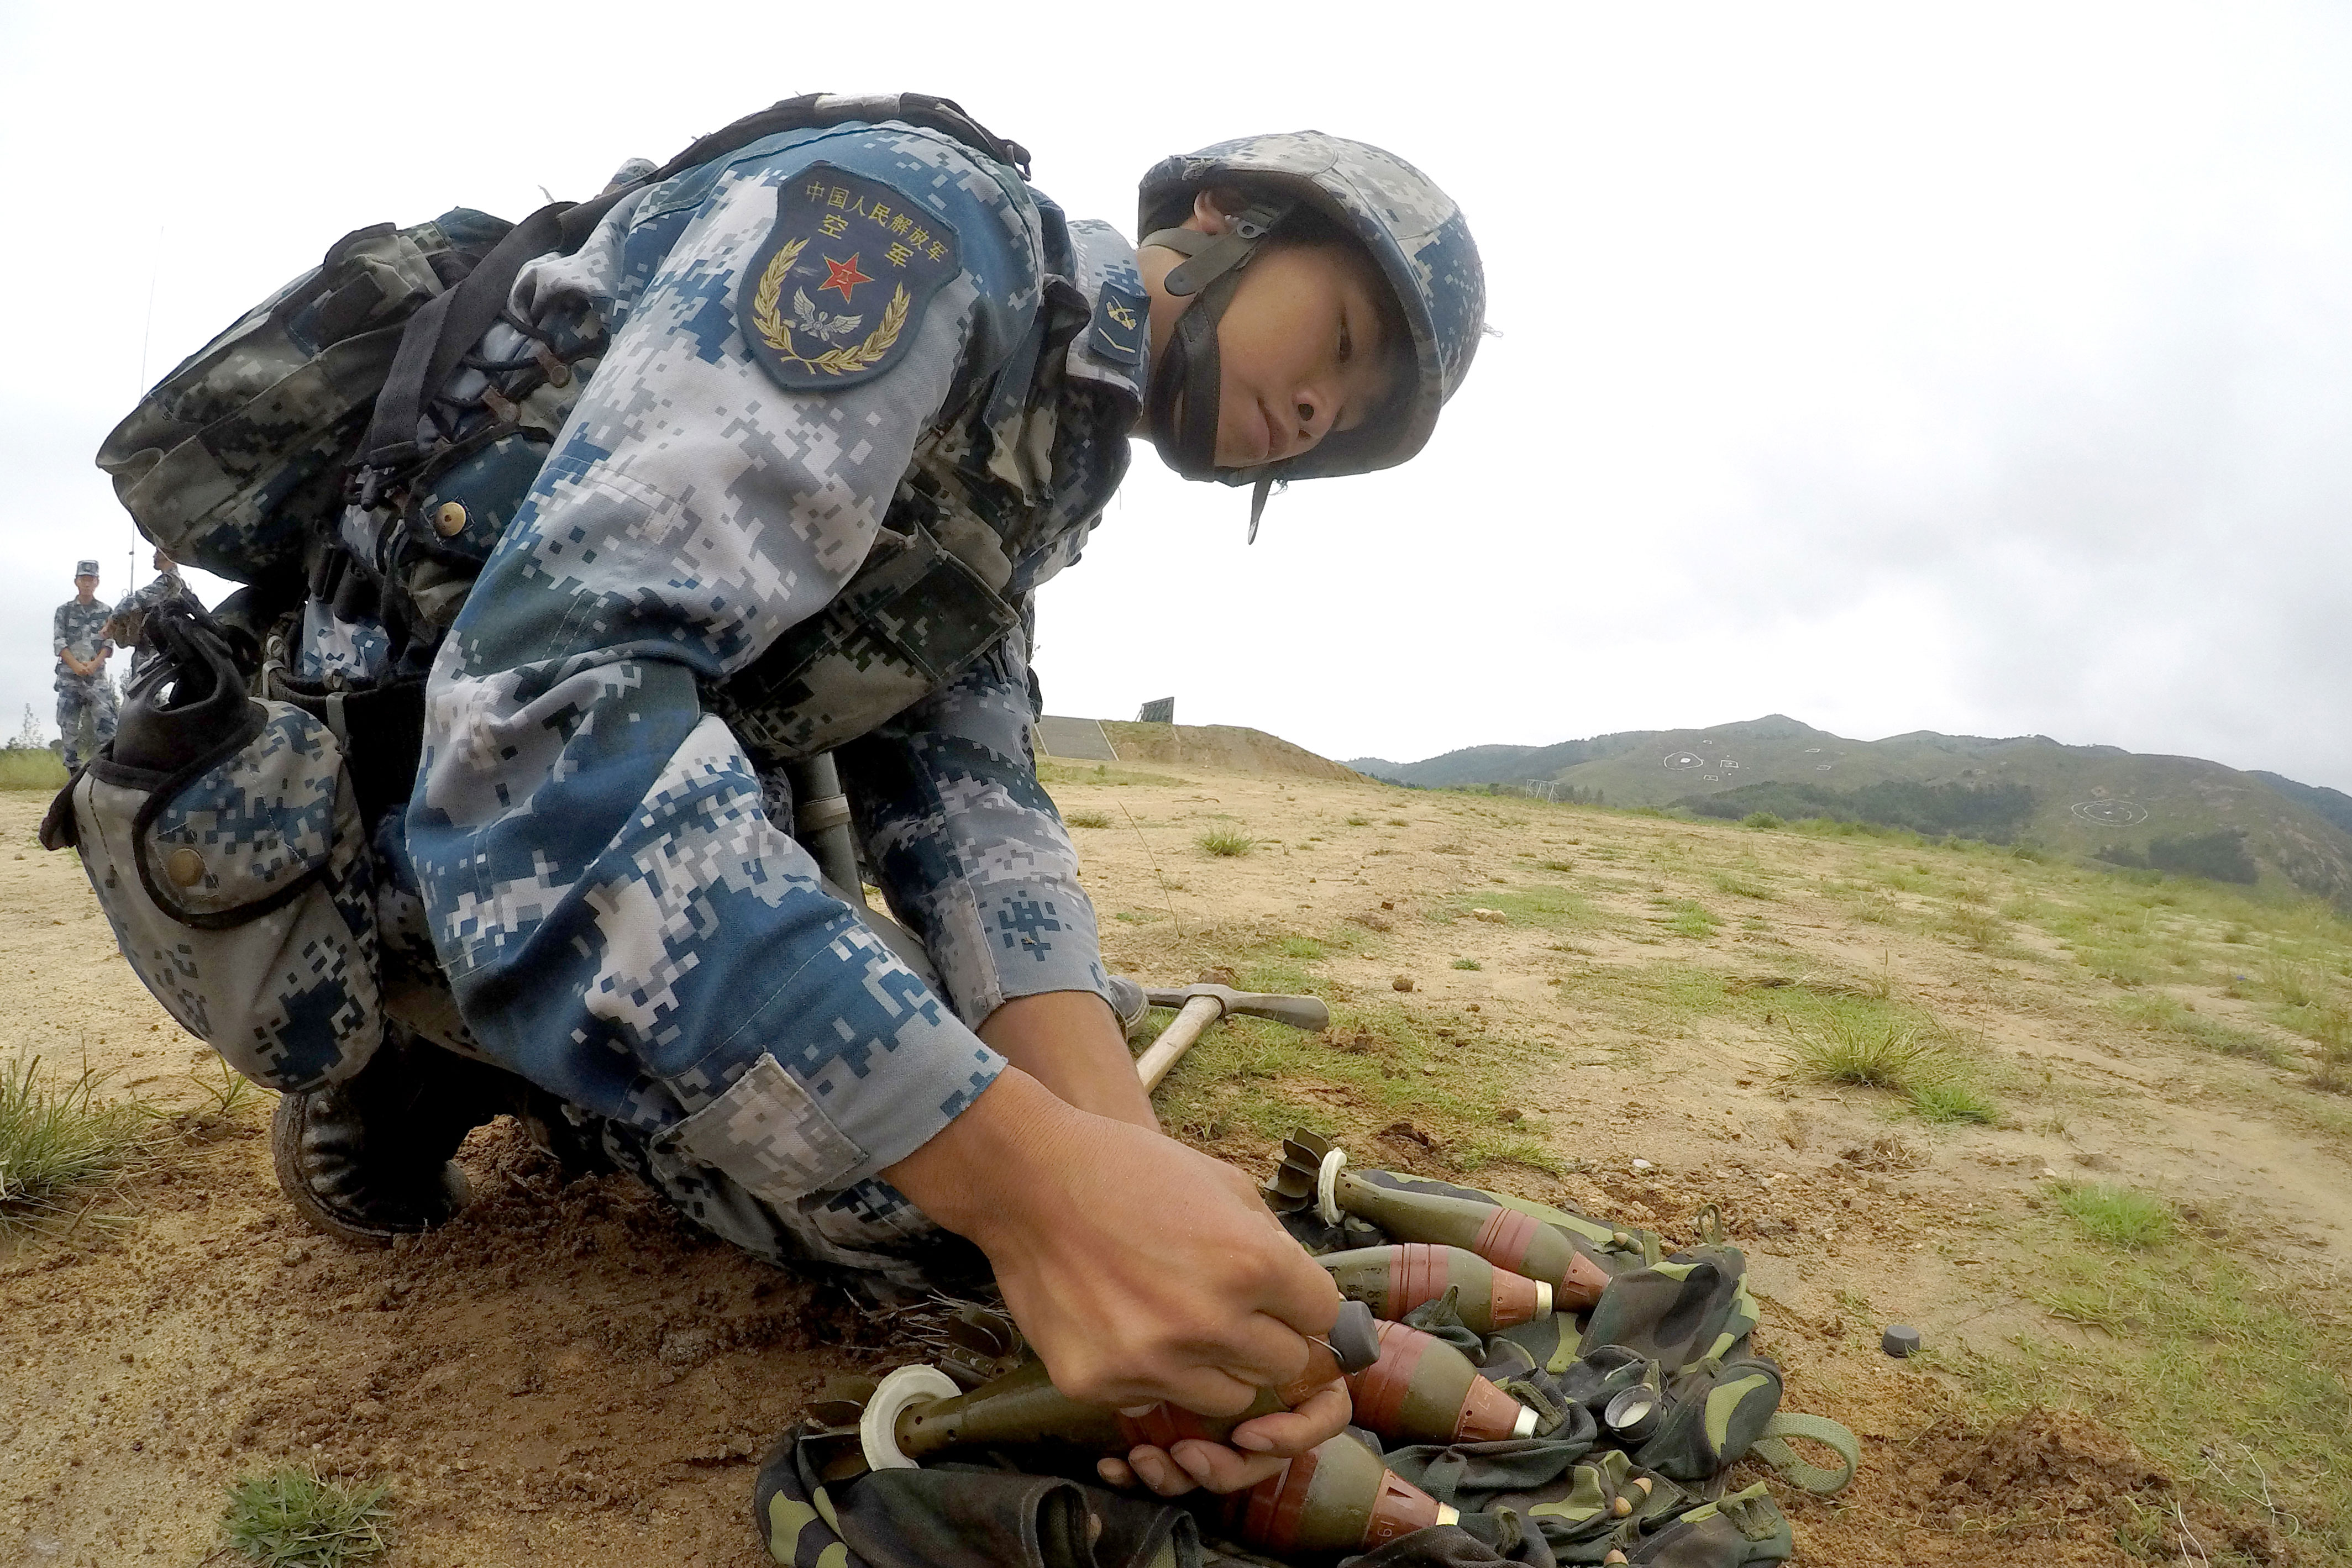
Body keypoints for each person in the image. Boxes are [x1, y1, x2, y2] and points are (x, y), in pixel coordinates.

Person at [261, 101, 1484, 1501]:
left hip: (629, 810)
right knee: (931, 1192)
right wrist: (1033, 1190)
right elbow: (539, 730)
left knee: (987, 1192)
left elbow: (970, 799)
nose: (1322, 416)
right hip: (407, 805)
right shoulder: (908, 234)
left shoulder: (1044, 452)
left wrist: (1117, 1159)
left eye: (1349, 425)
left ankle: (541, 1054)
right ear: (1221, 222)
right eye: (1339, 344)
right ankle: (414, 1057)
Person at [51, 560, 117, 771]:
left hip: (96, 679)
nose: (87, 584)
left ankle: (106, 771)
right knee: (69, 730)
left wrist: (94, 664)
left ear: (97, 582)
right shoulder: (65, 611)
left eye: (91, 580)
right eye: (83, 579)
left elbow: (109, 643)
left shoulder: (107, 611)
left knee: (108, 727)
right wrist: (76, 666)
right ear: (76, 582)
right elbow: (60, 642)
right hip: (70, 678)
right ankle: (73, 774)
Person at [107, 547, 198, 680]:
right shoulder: (173, 581)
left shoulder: (170, 581)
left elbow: (140, 599)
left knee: (143, 695)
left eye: (158, 552)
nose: (154, 556)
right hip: (157, 650)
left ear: (169, 554)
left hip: (155, 652)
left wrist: (114, 617)